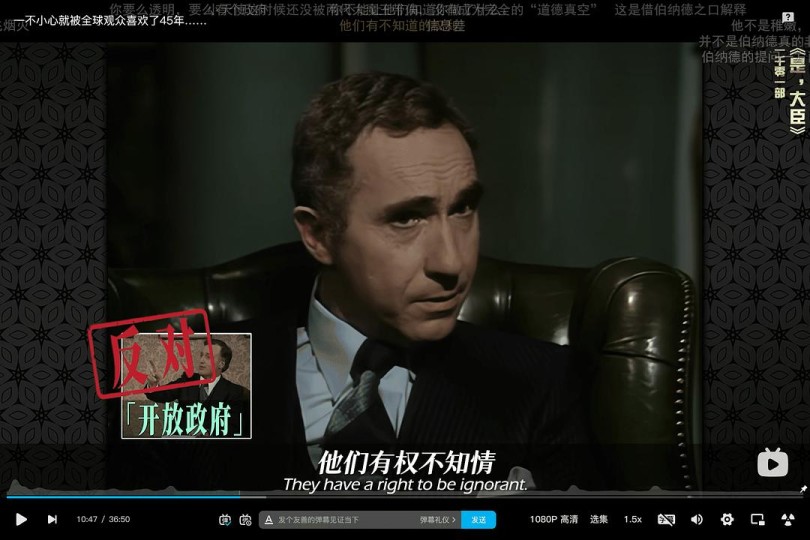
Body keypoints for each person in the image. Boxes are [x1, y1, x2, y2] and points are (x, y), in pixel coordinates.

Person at [229, 71, 600, 491]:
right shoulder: (189, 374)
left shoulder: (543, 383)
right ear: (318, 235)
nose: (452, 262)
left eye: (462, 208)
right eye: (406, 218)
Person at [145, 338, 250, 438]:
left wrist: (208, 433)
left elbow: (233, 426)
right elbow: (160, 395)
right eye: (201, 355)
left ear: (221, 364)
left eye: (208, 357)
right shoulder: (187, 380)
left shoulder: (234, 392)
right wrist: (153, 385)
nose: (201, 360)